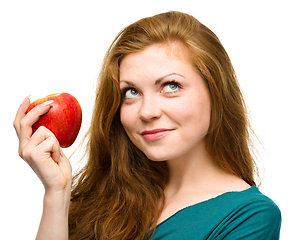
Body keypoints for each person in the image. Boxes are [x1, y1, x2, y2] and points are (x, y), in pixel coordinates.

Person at [14, 11, 281, 240]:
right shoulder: (103, 198)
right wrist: (56, 194)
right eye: (131, 92)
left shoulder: (249, 216)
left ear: (216, 92)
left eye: (171, 86)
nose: (147, 112)